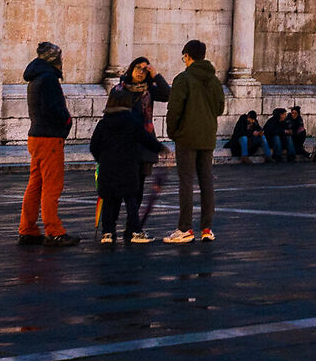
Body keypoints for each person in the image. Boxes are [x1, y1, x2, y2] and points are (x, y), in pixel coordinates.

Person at [18, 41, 78, 248]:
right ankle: (54, 231)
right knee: (52, 186)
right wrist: (67, 121)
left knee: (35, 184)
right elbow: (54, 108)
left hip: (36, 135)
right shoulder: (49, 79)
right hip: (50, 137)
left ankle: (27, 229)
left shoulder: (36, 78)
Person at [165, 39, 225, 244]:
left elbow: (174, 109)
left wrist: (173, 132)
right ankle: (206, 228)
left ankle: (185, 228)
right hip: (207, 137)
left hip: (187, 137)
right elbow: (219, 109)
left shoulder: (183, 79)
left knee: (186, 182)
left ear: (187, 55)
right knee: (206, 181)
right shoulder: (214, 81)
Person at [89, 86, 164, 247]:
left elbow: (94, 145)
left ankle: (108, 232)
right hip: (128, 166)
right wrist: (161, 148)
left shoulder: (103, 124)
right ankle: (135, 230)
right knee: (131, 200)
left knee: (109, 200)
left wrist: (101, 158)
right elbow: (145, 139)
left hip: (108, 167)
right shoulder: (132, 122)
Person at [118, 57, 173, 240]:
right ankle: (129, 228)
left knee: (139, 188)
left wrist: (156, 75)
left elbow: (168, 94)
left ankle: (131, 228)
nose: (141, 72)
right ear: (130, 69)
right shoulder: (120, 89)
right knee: (131, 188)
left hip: (145, 145)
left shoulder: (149, 90)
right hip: (127, 143)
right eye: (137, 68)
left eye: (144, 69)